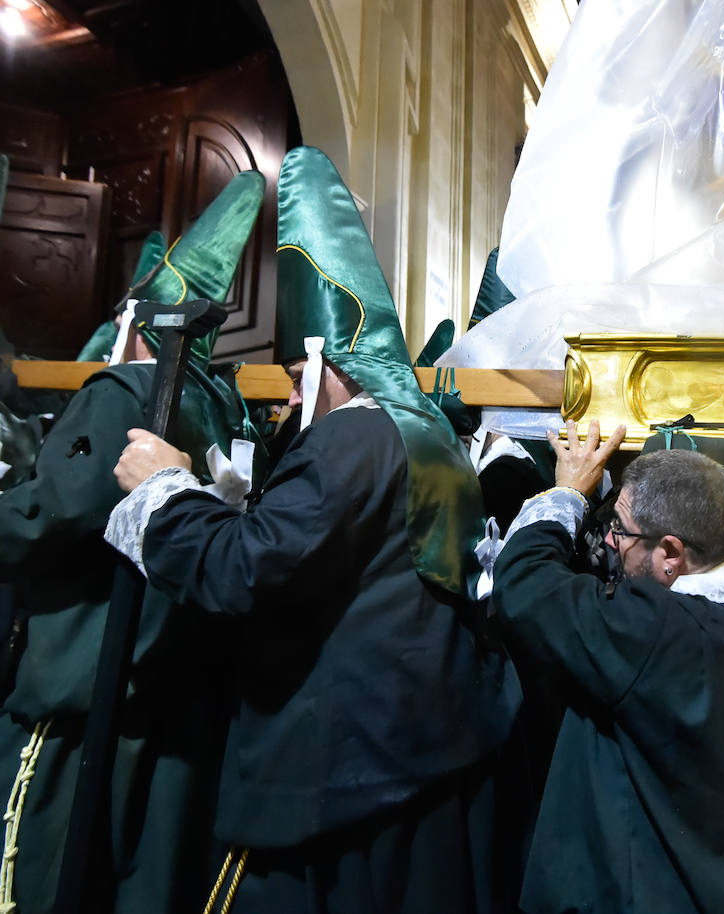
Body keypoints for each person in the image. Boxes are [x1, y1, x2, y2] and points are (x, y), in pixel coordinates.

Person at [104, 146, 520, 914]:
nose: (294, 391)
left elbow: (247, 569)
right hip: (423, 743)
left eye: (299, 373)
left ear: (328, 359)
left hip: (345, 762)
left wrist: (163, 488)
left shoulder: (353, 434)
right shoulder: (426, 433)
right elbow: (349, 549)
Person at [0, 171, 266, 914]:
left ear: (134, 323)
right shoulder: (220, 410)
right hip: (164, 697)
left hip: (85, 690)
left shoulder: (128, 391)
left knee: (22, 875)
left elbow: (66, 508)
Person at [490, 421, 724, 914]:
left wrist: (567, 491)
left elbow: (524, 583)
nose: (612, 541)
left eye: (621, 530)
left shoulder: (652, 630)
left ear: (670, 554)